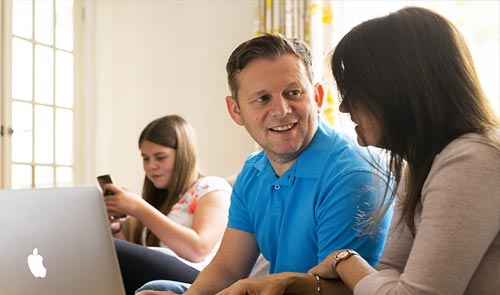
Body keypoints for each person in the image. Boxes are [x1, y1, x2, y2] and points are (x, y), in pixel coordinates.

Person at [201, 6, 500, 295]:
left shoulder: (469, 162)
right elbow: (385, 274)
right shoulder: (419, 167)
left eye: (353, 91)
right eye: (262, 98)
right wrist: (291, 282)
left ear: (395, 93)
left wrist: (345, 260)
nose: (343, 107)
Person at [136, 33, 392, 294]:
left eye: (293, 93)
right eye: (263, 99)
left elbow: (335, 289)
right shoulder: (253, 170)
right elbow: (227, 267)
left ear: (316, 97)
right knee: (154, 289)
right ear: (236, 111)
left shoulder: (351, 175)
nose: (281, 110)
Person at [102, 115, 232, 295]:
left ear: (183, 154)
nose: (151, 166)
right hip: (162, 271)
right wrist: (116, 230)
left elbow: (199, 249)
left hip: (199, 276)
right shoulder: (159, 198)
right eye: (145, 158)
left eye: (160, 157)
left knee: (113, 250)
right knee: (104, 251)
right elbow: (138, 255)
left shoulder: (212, 188)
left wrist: (138, 208)